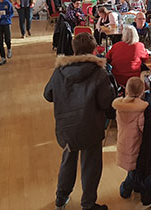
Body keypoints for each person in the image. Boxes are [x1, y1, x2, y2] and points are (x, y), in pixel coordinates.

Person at [44, 32, 116, 210]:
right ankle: (88, 204)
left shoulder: (60, 70)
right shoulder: (99, 73)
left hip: (66, 126)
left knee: (68, 160)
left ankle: (61, 197)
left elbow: (48, 94)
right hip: (91, 126)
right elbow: (106, 102)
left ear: (74, 49)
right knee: (91, 166)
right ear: (94, 50)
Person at [112, 76, 149, 199]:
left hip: (123, 141)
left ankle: (135, 186)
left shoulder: (120, 107)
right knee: (134, 170)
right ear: (142, 91)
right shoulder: (141, 109)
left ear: (127, 90)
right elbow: (142, 128)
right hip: (135, 143)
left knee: (132, 169)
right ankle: (125, 190)